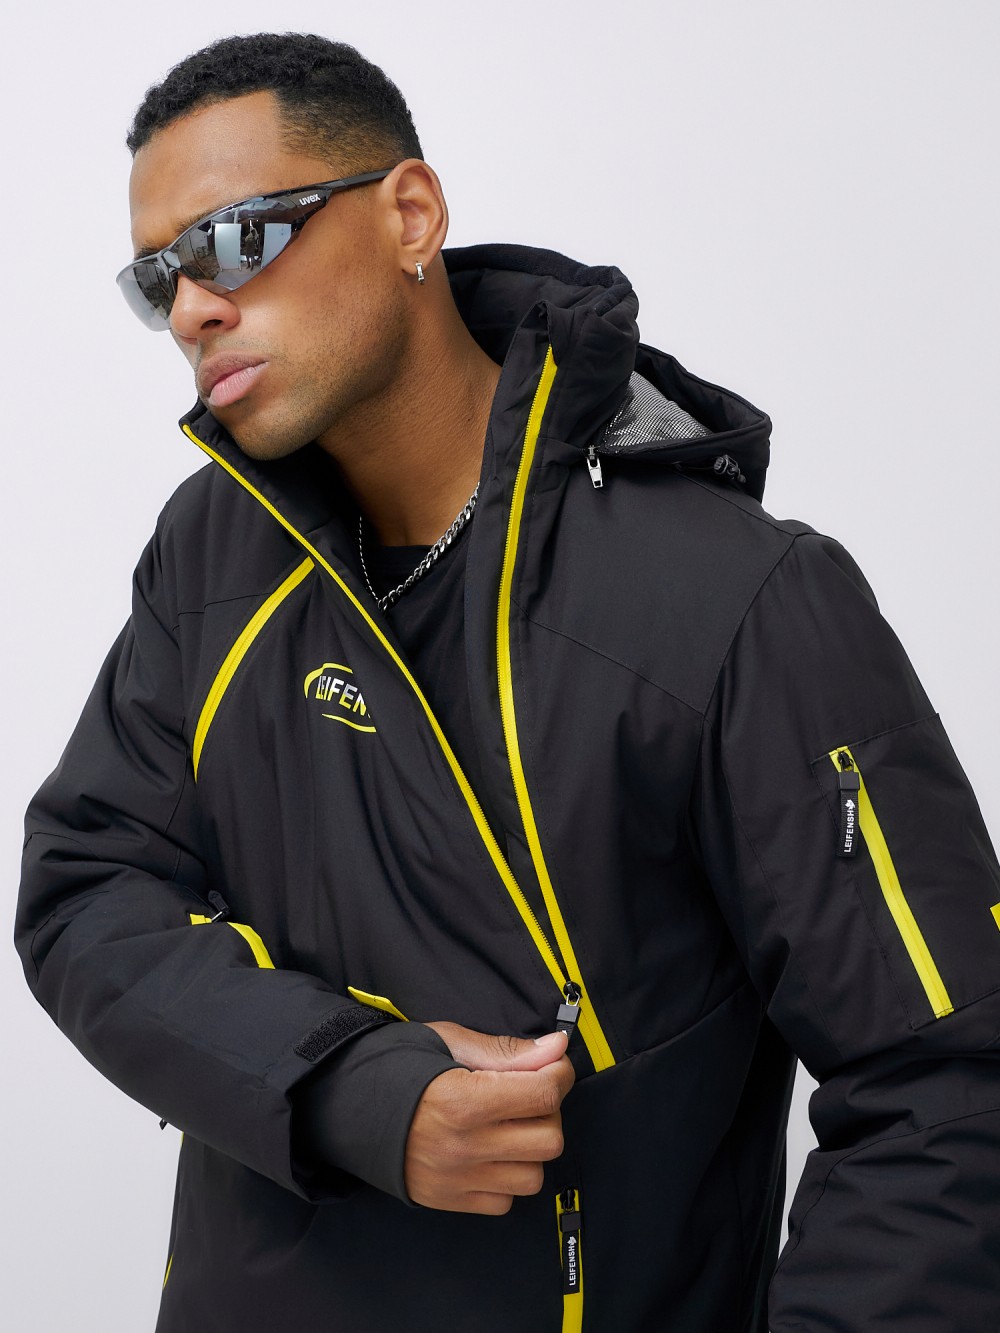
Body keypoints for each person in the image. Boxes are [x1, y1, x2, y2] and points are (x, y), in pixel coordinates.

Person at [15, 30, 1000, 1333]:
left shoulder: (737, 599)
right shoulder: (212, 553)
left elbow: (947, 1093)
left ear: (411, 216)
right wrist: (348, 1087)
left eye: (237, 242)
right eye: (159, 279)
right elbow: (86, 891)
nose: (194, 307)